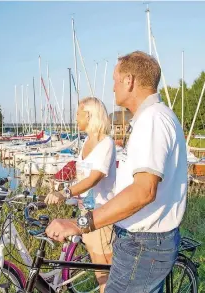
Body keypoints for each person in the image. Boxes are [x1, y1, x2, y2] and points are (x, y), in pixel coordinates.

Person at [45, 51, 188, 292]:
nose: (112, 88)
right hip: (143, 242)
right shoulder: (153, 118)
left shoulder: (152, 120)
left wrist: (80, 223)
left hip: (143, 245)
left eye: (115, 79)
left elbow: (143, 191)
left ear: (129, 80)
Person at [45, 97, 116, 292]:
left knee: (104, 275)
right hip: (85, 211)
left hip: (100, 214)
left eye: (78, 114)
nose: (75, 118)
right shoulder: (87, 141)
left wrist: (64, 193)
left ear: (89, 115)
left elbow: (94, 178)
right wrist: (65, 191)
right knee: (97, 267)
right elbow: (81, 176)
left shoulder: (105, 142)